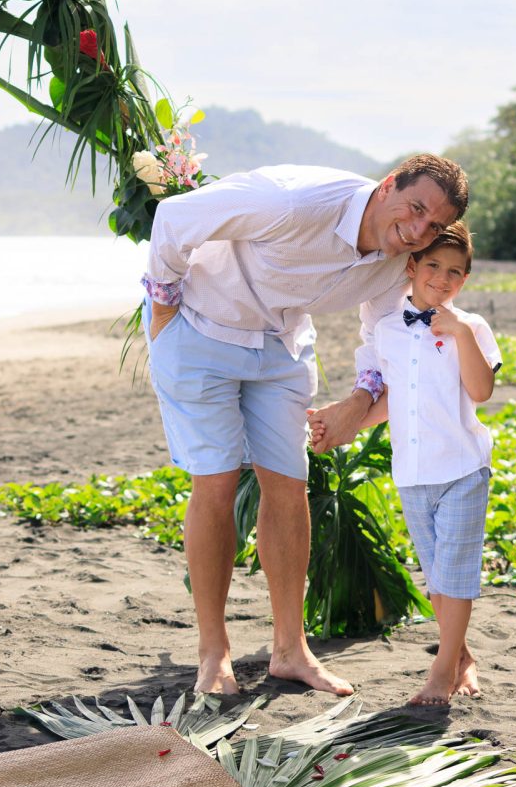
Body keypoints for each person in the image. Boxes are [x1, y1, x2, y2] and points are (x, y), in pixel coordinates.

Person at [143, 155, 468, 696]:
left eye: (433, 225)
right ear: (388, 186)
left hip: (281, 347)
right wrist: (163, 306)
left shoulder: (400, 256)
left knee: (288, 486)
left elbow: (385, 329)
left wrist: (359, 401)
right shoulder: (292, 202)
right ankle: (213, 654)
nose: (418, 231)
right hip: (201, 330)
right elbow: (175, 219)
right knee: (218, 482)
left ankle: (290, 651)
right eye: (414, 209)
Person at [308, 220, 501, 705]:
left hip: (461, 469)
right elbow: (392, 399)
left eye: (455, 272)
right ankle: (462, 656)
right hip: (413, 474)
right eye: (432, 265)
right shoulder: (388, 330)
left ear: (464, 280)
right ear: (411, 267)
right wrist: (340, 424)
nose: (442, 277)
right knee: (438, 581)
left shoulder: (472, 327)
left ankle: (442, 671)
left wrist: (458, 333)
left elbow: (481, 391)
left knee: (454, 576)